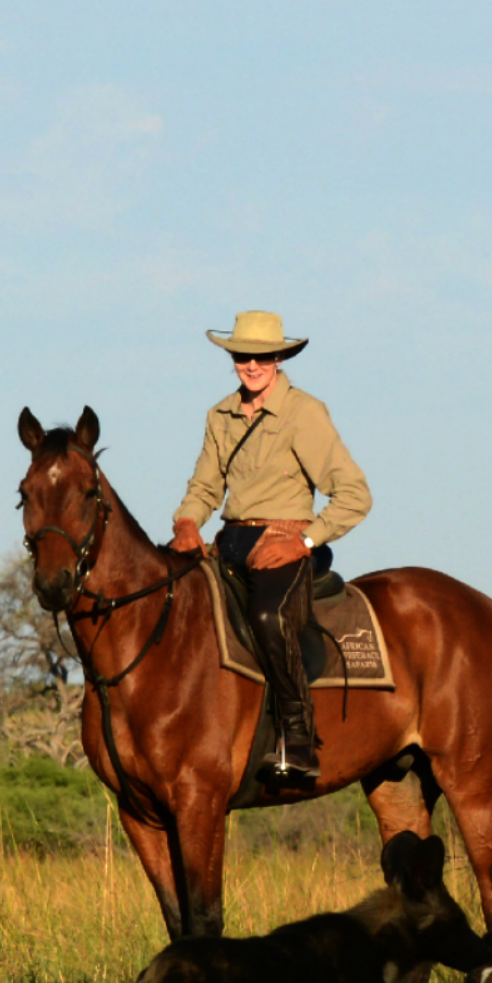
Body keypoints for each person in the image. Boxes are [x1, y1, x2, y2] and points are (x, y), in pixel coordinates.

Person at [168, 309, 371, 784]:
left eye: (261, 356)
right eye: (242, 356)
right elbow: (203, 489)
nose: (252, 365)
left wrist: (303, 541)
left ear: (279, 357)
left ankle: (298, 738)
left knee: (266, 616)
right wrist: (185, 523)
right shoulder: (218, 415)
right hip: (231, 543)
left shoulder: (305, 412)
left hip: (287, 543)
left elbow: (355, 495)